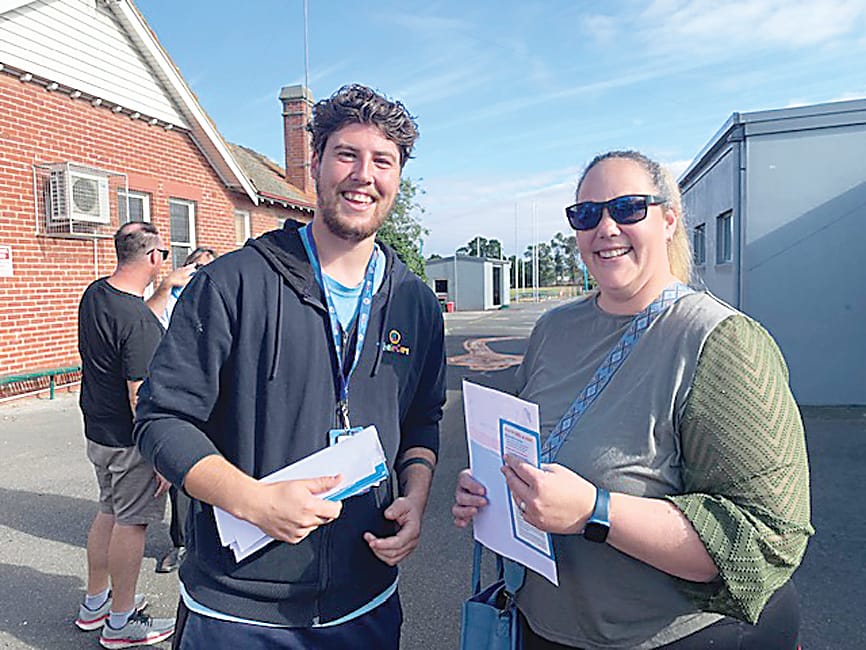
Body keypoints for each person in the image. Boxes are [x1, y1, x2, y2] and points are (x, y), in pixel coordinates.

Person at [453, 150, 813, 649]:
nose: (605, 227)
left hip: (665, 638)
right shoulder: (554, 330)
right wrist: (491, 486)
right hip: (542, 627)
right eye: (586, 214)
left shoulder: (722, 342)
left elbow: (764, 539)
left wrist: (594, 511)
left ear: (668, 221)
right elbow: (535, 451)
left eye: (627, 208)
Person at [134, 84, 446, 649]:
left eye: (383, 161)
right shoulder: (232, 284)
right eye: (347, 154)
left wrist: (416, 497)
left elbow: (423, 418)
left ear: (397, 178)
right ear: (316, 163)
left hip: (366, 602)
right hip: (239, 611)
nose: (363, 175)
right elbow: (161, 421)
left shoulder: (415, 303)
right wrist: (251, 500)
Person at [75, 221, 176, 648]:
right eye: (164, 255)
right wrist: (160, 455)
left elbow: (131, 320)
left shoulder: (97, 293)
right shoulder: (137, 322)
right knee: (132, 524)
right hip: (129, 441)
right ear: (153, 257)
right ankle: (121, 622)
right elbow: (141, 396)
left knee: (109, 513)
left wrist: (164, 290)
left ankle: (95, 604)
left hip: (98, 433)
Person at [150, 246, 218, 574]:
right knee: (183, 473)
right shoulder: (173, 300)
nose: (201, 274)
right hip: (182, 397)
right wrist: (165, 287)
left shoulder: (223, 299)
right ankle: (180, 544)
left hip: (218, 400)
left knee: (219, 471)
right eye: (196, 268)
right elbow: (144, 322)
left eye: (208, 268)